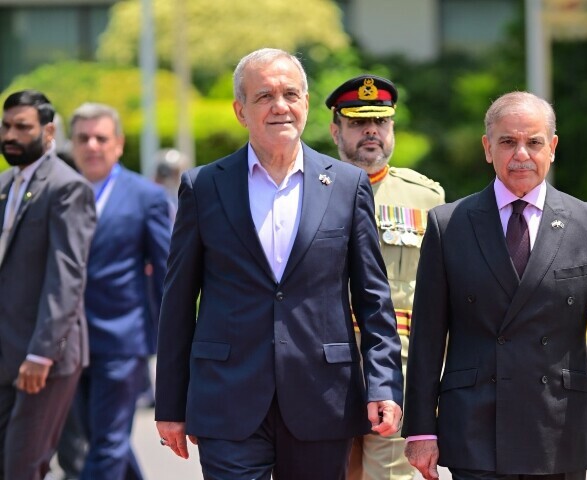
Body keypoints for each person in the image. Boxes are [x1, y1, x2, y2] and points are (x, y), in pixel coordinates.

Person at [154, 48, 404, 479]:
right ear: (240, 111)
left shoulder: (347, 185)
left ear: (306, 103)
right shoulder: (204, 186)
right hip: (227, 398)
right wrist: (171, 404)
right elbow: (177, 302)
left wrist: (383, 383)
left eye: (290, 94)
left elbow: (373, 301)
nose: (280, 106)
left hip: (322, 397)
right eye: (264, 96)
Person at [402, 91, 587, 479]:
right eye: (507, 142)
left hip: (559, 427)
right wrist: (420, 428)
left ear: (553, 147)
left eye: (533, 142)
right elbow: (427, 337)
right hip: (475, 429)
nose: (521, 154)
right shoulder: (448, 225)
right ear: (487, 148)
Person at [326, 75, 445, 480]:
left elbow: (442, 294)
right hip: (326, 371)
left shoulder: (426, 198)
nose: (371, 130)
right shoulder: (310, 190)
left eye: (380, 121)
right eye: (358, 122)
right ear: (336, 130)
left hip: (400, 370)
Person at [54, 103, 172, 480]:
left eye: (101, 138)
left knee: (107, 444)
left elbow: (167, 273)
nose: (92, 146)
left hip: (121, 339)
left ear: (118, 144)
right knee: (98, 437)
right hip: (67, 343)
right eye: (83, 138)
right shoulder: (58, 194)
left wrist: (171, 341)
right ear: (72, 145)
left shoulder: (145, 197)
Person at [0, 90, 96, 480]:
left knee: (22, 467)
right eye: (6, 126)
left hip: (43, 359)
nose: (10, 135)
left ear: (49, 131)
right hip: (5, 351)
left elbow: (66, 277)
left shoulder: (67, 187)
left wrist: (41, 354)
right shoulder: (6, 183)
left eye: (22, 127)